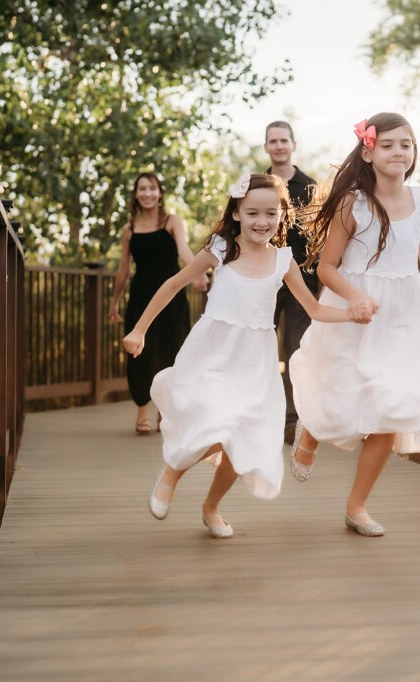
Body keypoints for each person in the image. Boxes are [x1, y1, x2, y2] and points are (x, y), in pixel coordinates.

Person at [122, 173, 369, 538]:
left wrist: (351, 312)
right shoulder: (220, 249)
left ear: (282, 216)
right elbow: (173, 284)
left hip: (255, 361)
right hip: (214, 351)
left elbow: (314, 310)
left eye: (271, 213)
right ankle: (171, 474)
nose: (262, 221)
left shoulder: (283, 261)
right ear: (237, 213)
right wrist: (139, 328)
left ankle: (211, 507)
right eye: (252, 213)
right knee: (214, 419)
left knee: (241, 435)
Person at [288, 113, 420, 537]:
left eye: (406, 145)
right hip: (355, 310)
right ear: (368, 151)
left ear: (414, 153)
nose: (399, 152)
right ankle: (311, 431)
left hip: (405, 316)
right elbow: (326, 267)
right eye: (389, 144)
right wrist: (356, 297)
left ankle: (357, 506)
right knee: (340, 394)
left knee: (392, 407)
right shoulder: (352, 203)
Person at [108, 172, 206, 435]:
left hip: (172, 298)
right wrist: (115, 303)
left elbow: (184, 250)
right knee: (139, 354)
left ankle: (165, 411)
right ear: (136, 194)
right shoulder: (129, 229)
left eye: (152, 188)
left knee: (172, 350)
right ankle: (142, 411)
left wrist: (197, 272)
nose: (148, 193)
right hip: (141, 297)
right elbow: (123, 268)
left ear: (159, 193)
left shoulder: (172, 221)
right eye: (142, 189)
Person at [264, 121, 318, 443]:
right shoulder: (257, 185)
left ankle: (293, 421)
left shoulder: (310, 187)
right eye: (273, 141)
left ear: (293, 145)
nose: (279, 145)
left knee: (295, 351)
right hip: (264, 280)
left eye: (284, 140)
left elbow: (318, 240)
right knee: (260, 349)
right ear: (267, 146)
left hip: (302, 283)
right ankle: (262, 414)